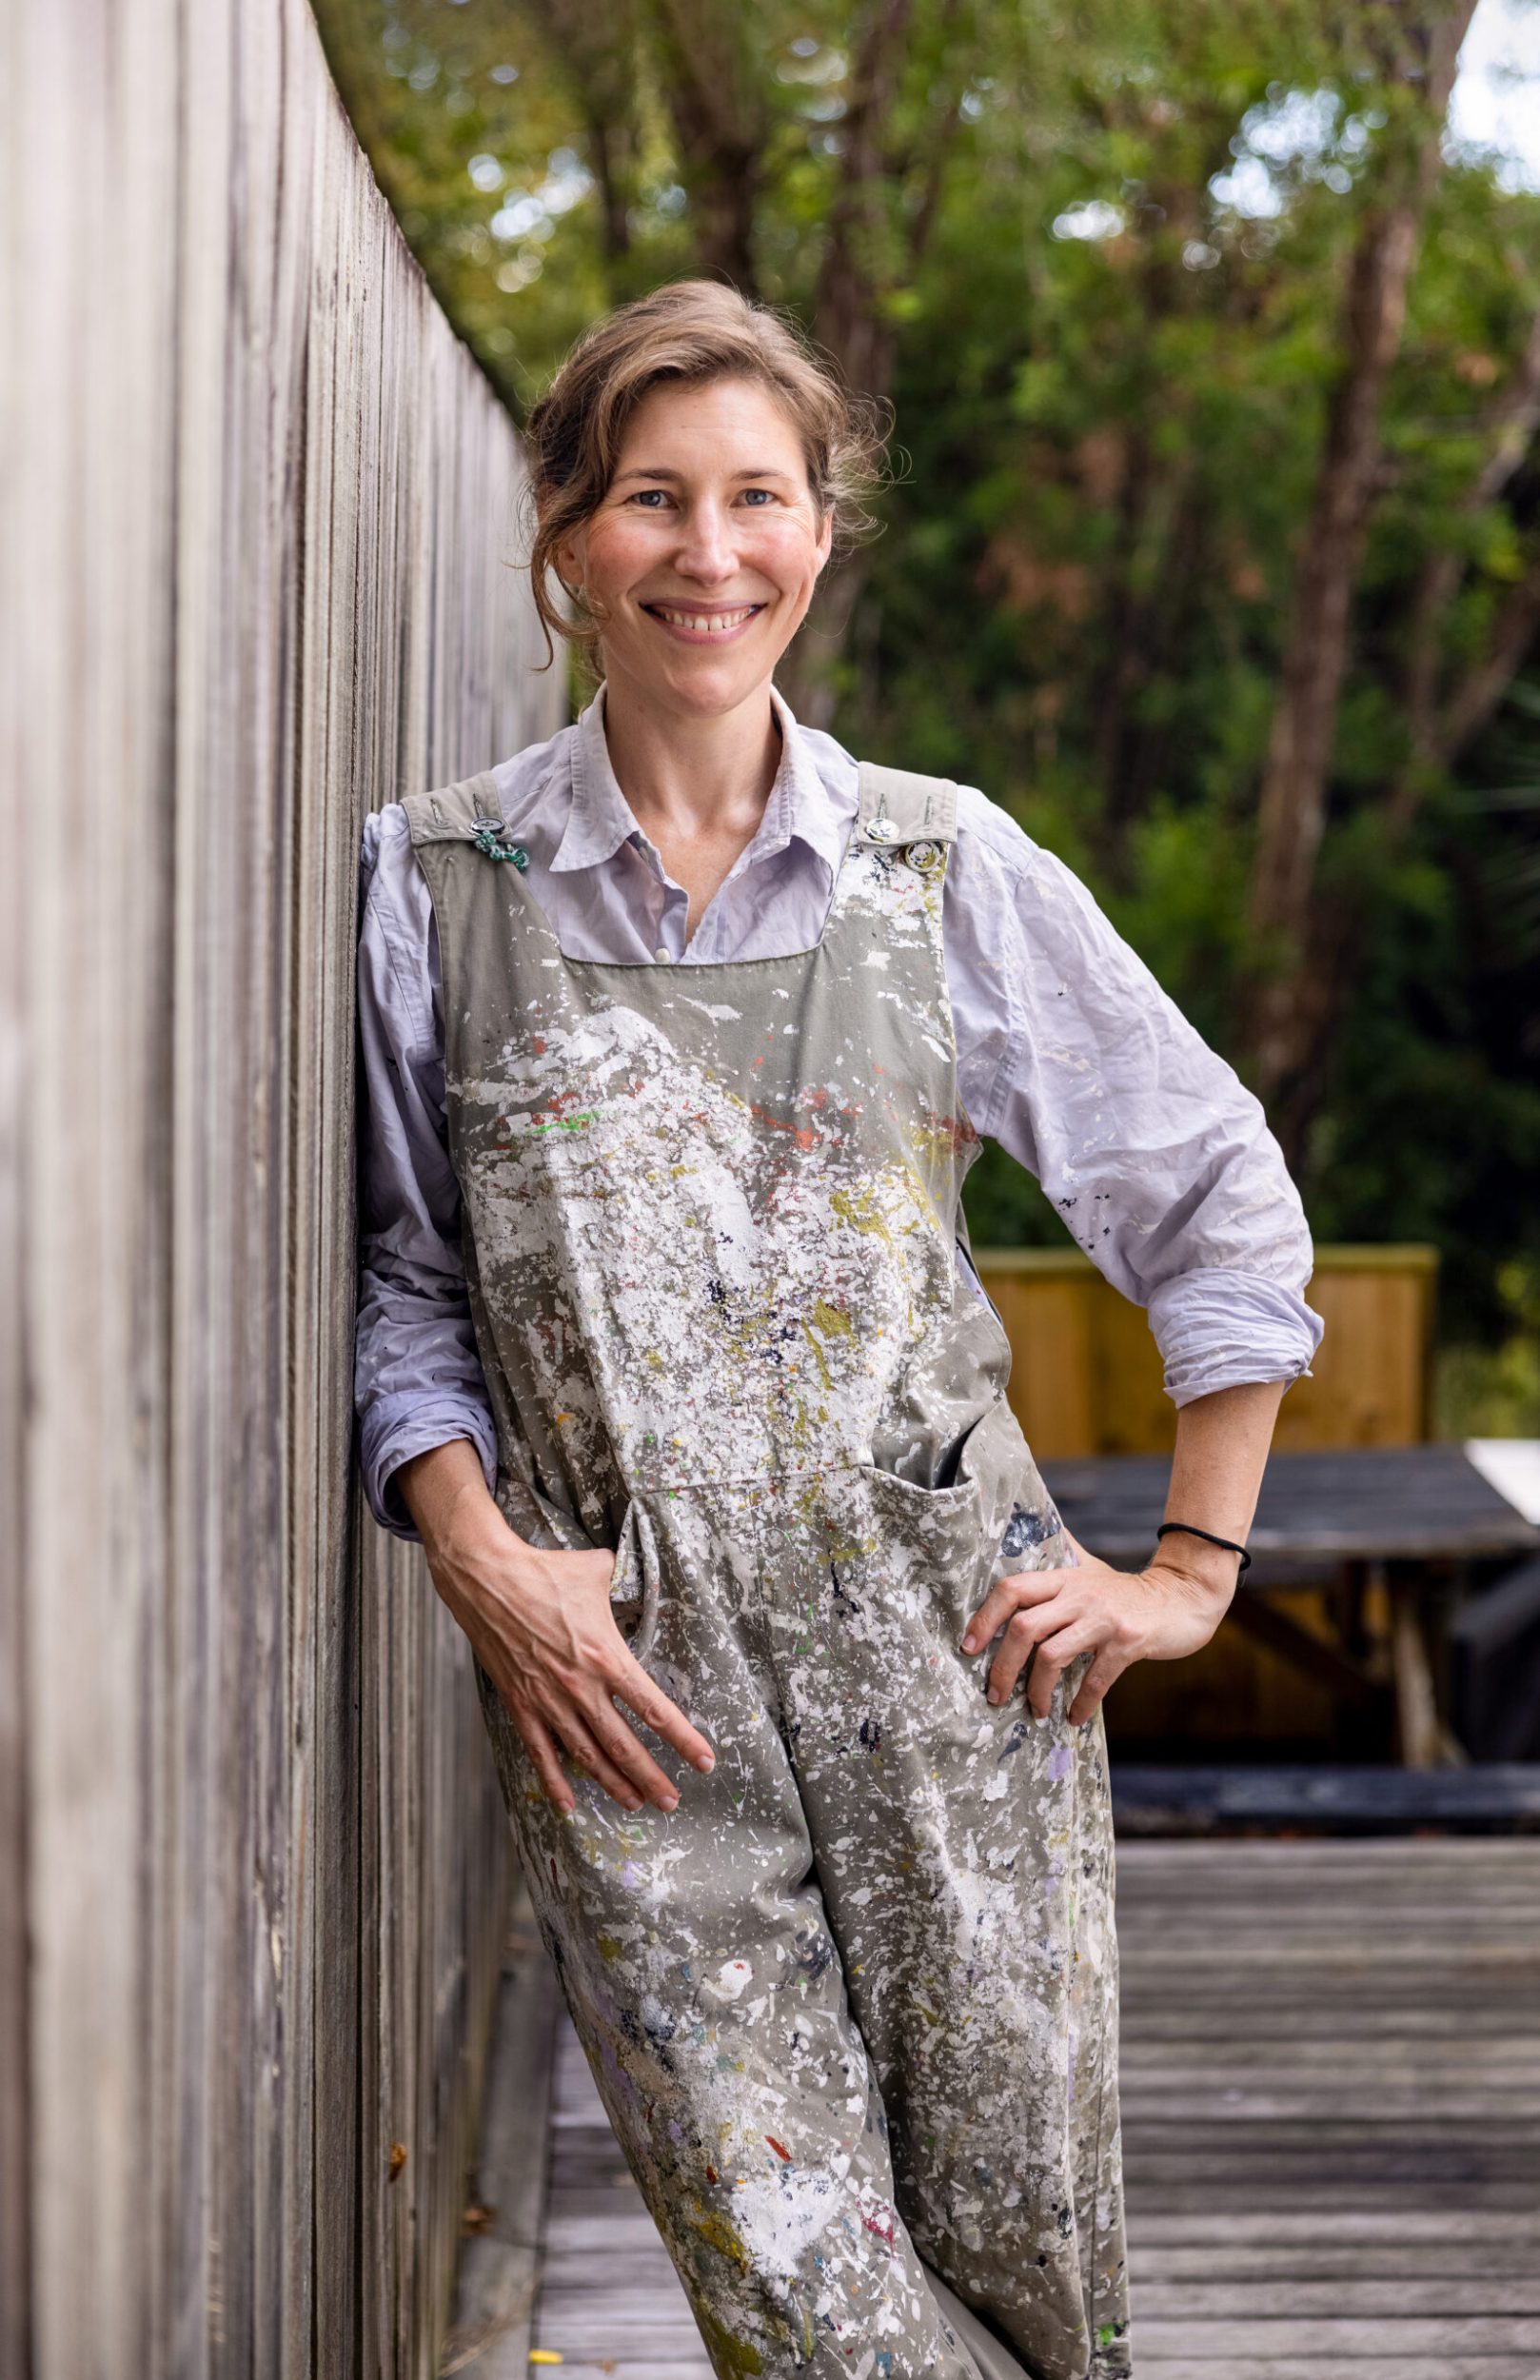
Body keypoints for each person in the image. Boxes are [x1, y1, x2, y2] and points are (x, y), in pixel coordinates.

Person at [354, 279, 1322, 2380]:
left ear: (819, 530)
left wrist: (1186, 1570)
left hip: (954, 1661)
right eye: (649, 499)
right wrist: (471, 1540)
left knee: (1025, 2273)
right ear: (562, 530)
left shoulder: (939, 868)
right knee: (808, 2301)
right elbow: (413, 1275)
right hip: (625, 1692)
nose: (709, 553)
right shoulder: (434, 885)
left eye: (758, 498)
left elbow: (1212, 1198)